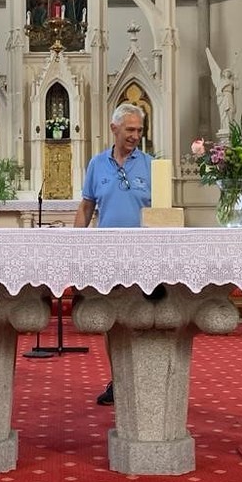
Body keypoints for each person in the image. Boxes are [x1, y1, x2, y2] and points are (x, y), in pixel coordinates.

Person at [74, 103, 152, 405]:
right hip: (107, 254)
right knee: (113, 320)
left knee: (142, 317)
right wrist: (76, 244)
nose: (135, 135)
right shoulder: (97, 164)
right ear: (114, 129)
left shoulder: (151, 165)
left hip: (143, 254)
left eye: (139, 130)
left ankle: (143, 379)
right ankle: (119, 380)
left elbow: (163, 210)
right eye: (130, 129)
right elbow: (86, 207)